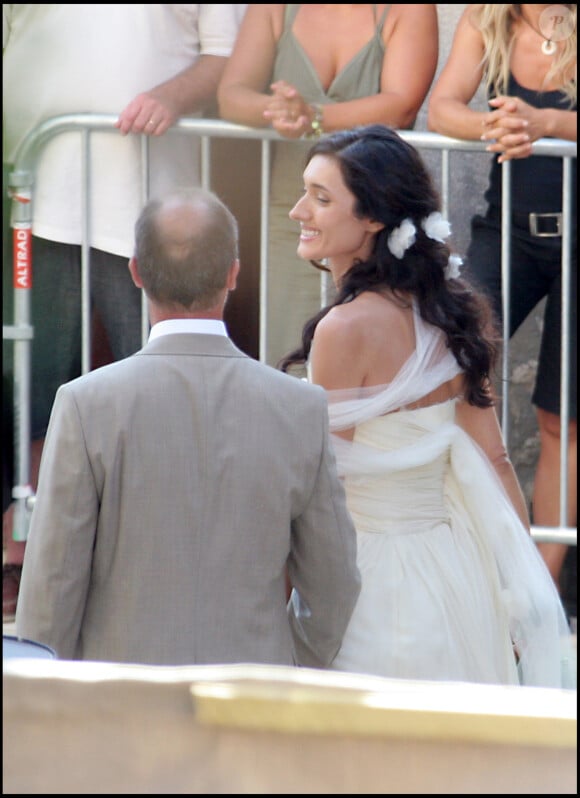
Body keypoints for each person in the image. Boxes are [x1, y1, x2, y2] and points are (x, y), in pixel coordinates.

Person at [280, 123, 575, 688]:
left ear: (372, 218)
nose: (299, 211)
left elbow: (323, 486)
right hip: (456, 565)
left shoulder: (344, 329)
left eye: (321, 198)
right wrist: (517, 590)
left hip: (372, 576)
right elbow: (495, 460)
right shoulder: (452, 311)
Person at [14, 187, 361, 666]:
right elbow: (334, 579)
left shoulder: (85, 403)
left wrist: (51, 699)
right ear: (233, 274)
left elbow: (53, 581)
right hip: (252, 696)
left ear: (135, 271)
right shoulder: (298, 406)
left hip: (121, 703)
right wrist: (289, 660)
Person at [2, 4, 248, 621]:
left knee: (164, 387)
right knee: (34, 386)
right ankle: (24, 550)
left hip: (147, 208)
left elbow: (226, 60)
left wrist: (169, 96)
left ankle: (167, 551)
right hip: (37, 194)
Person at [426, 4, 577, 597]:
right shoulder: (487, 17)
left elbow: (550, 125)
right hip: (508, 228)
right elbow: (442, 107)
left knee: (560, 417)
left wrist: (549, 124)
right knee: (446, 369)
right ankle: (458, 562)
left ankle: (543, 593)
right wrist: (497, 128)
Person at [217, 4, 438, 368]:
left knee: (369, 359)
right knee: (288, 360)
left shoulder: (409, 9)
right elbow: (232, 96)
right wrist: (278, 110)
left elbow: (400, 106)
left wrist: (312, 117)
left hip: (372, 223)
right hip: (294, 217)